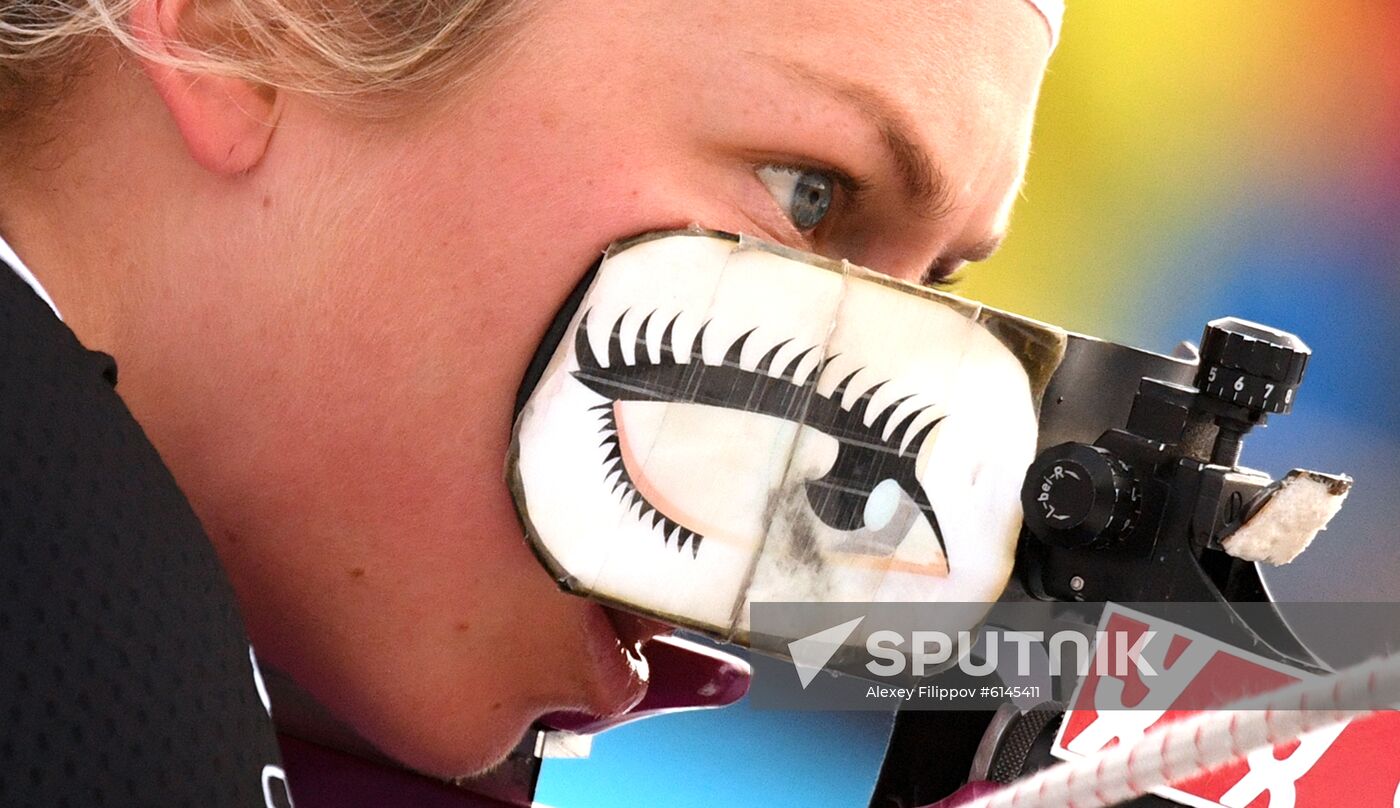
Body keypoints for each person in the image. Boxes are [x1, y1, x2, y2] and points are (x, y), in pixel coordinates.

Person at [0, 0, 1059, 803]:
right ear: (247, 30)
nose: (841, 466)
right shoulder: (80, 659)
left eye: (930, 295)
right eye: (804, 197)